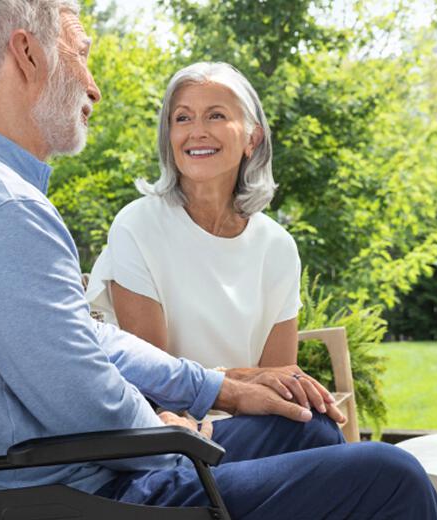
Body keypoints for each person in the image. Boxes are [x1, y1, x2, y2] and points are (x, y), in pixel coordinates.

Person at [0, 1, 437, 518]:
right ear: (28, 54)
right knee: (390, 475)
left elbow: (83, 340)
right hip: (87, 493)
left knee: (306, 429)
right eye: (81, 56)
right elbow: (82, 399)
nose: (93, 87)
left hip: (87, 467)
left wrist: (217, 389)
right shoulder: (1, 209)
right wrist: (169, 432)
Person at [86, 62, 302, 375]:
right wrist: (244, 381)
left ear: (252, 139)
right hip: (157, 407)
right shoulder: (137, 226)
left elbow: (280, 378)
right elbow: (154, 378)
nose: (197, 132)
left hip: (252, 405)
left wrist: (255, 385)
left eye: (216, 115)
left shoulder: (278, 246)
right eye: (183, 118)